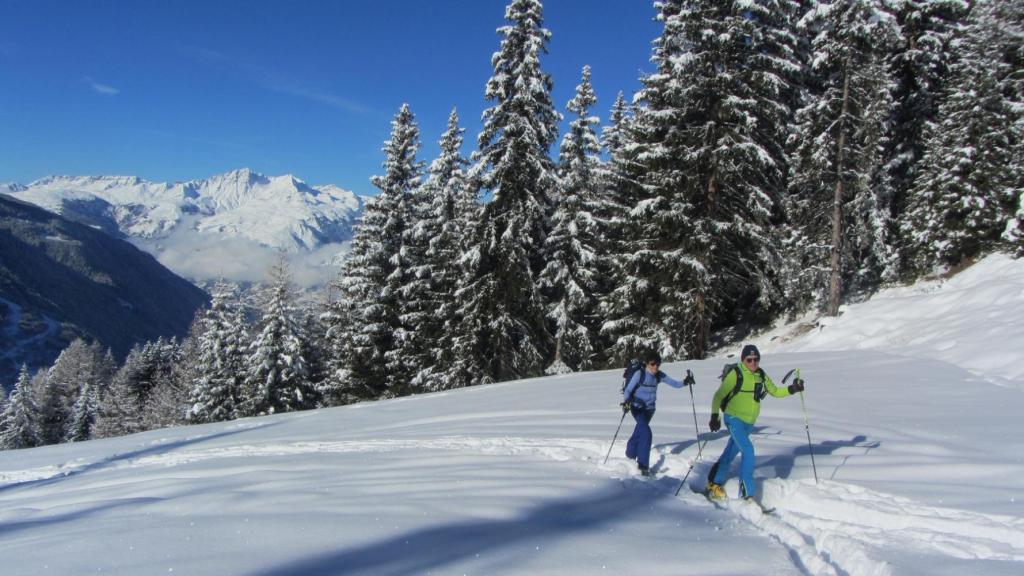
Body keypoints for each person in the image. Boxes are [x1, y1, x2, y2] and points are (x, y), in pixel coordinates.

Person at [705, 344, 805, 501]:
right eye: (749, 360)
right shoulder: (736, 374)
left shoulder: (761, 374)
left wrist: (792, 389)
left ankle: (714, 483)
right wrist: (714, 416)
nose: (753, 363)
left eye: (756, 359)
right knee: (748, 451)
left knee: (731, 452)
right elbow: (718, 396)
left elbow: (775, 391)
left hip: (749, 422)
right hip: (733, 418)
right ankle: (747, 494)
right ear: (743, 360)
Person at [622, 352, 694, 476]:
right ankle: (643, 466)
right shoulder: (640, 374)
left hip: (650, 410)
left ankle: (630, 454)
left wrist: (685, 382)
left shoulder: (659, 375)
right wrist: (626, 402)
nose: (655, 366)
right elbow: (628, 390)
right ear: (647, 363)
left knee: (640, 431)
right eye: (652, 364)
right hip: (637, 408)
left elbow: (675, 384)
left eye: (658, 364)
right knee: (646, 432)